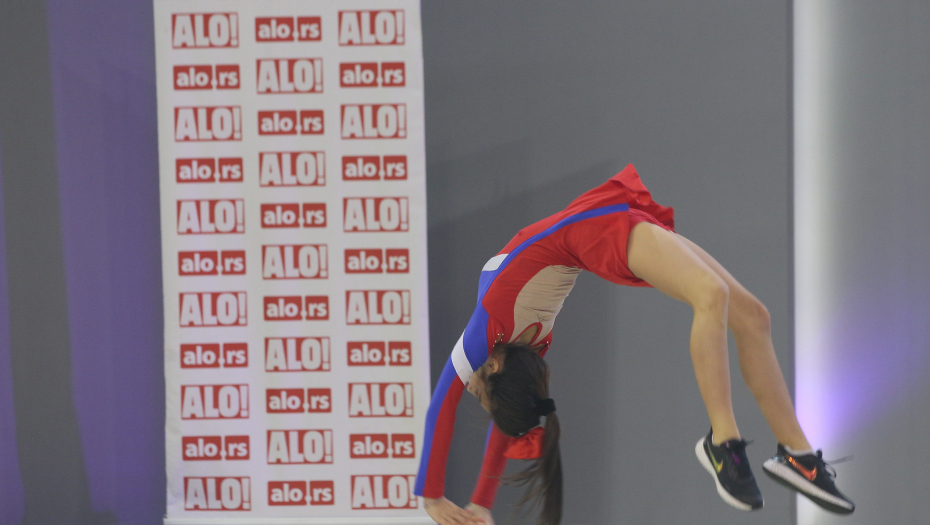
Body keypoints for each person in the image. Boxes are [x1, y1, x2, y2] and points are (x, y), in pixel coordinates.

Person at [414, 165, 855, 525]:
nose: (469, 386)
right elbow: (512, 416)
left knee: (751, 316)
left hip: (591, 227)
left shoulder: (486, 329)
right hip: (592, 234)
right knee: (716, 298)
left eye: (479, 395)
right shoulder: (521, 353)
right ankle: (733, 444)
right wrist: (479, 502)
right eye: (479, 395)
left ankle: (789, 454)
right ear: (495, 369)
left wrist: (433, 496)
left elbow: (441, 409)